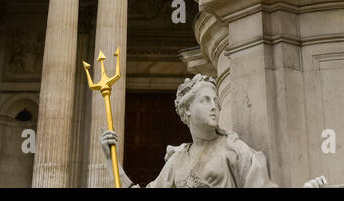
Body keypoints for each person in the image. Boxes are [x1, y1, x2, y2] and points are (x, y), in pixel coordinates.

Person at [99, 75, 274, 187]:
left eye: (215, 100)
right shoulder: (177, 160)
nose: (214, 106)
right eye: (205, 100)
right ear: (187, 109)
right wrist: (110, 159)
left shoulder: (233, 149)